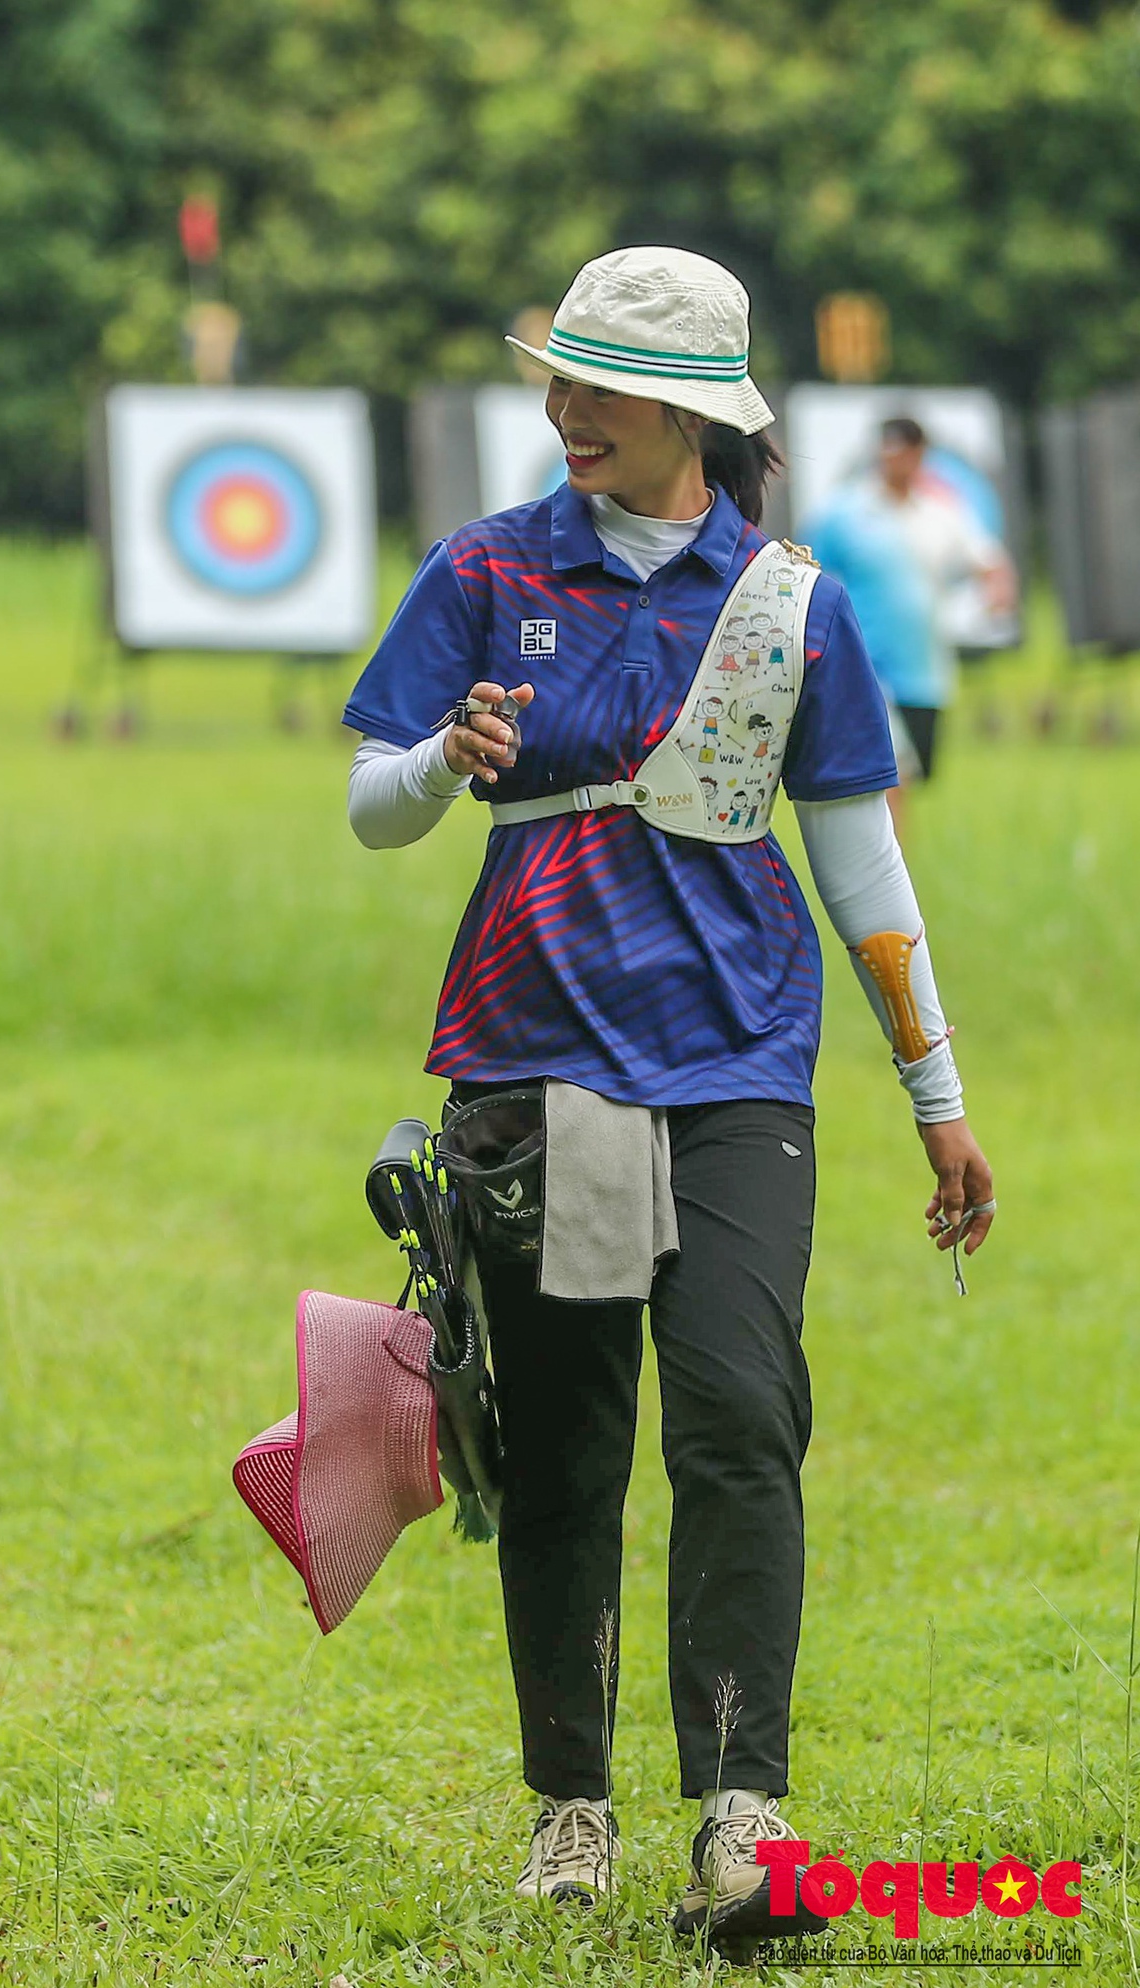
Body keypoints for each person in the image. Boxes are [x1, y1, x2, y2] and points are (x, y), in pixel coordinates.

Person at [341, 248, 996, 1953]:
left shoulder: (793, 601)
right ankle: (574, 1802)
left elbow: (861, 865)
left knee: (738, 1410)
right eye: (557, 382)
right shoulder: (489, 569)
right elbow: (370, 804)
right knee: (565, 1437)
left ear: (694, 414)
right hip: (543, 1057)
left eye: (601, 391)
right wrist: (441, 764)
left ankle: (743, 1813)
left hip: (738, 1061)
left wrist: (939, 1099)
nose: (565, 414)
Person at [805, 416, 1015, 826]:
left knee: (910, 777)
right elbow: (807, 567)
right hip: (864, 665)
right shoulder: (845, 511)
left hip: (923, 670)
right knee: (893, 773)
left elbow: (988, 561)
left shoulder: (940, 513)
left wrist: (997, 591)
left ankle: (892, 871)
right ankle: (887, 882)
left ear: (918, 455)